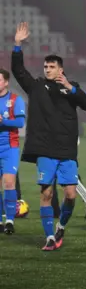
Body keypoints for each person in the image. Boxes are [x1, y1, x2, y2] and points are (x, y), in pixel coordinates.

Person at [12, 22, 86, 251]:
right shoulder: (37, 87)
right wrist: (17, 45)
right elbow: (19, 72)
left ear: (61, 70)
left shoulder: (71, 88)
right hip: (45, 149)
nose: (47, 70)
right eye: (46, 66)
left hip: (66, 150)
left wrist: (70, 86)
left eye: (52, 67)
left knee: (70, 195)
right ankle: (49, 236)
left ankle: (61, 226)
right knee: (46, 192)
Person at [0, 68, 26, 235]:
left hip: (10, 147)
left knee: (9, 183)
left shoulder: (16, 99)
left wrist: (3, 121)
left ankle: (9, 221)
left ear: (6, 82)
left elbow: (20, 123)